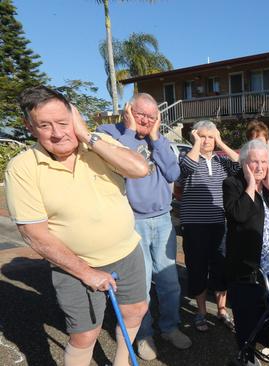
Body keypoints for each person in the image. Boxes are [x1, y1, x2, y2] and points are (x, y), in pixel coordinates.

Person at [5, 86, 150, 366]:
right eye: (45, 125)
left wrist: (86, 135)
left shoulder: (100, 145)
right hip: (74, 264)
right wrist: (86, 272)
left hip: (127, 251)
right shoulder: (23, 168)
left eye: (63, 122)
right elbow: (34, 234)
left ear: (75, 117)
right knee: (85, 334)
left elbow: (139, 169)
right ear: (29, 126)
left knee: (135, 310)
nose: (58, 133)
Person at [96, 93, 190, 360]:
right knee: (140, 286)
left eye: (151, 116)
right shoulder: (110, 134)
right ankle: (144, 335)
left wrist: (157, 137)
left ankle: (170, 327)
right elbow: (116, 165)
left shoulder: (158, 139)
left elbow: (173, 174)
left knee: (169, 280)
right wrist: (129, 131)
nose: (146, 121)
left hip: (162, 219)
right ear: (128, 111)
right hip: (132, 221)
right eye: (141, 115)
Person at [223, 139, 269, 366]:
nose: (260, 166)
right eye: (254, 161)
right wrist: (250, 185)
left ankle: (264, 346)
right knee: (246, 318)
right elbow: (239, 214)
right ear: (244, 163)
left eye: (264, 161)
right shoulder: (232, 184)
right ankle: (246, 356)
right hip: (248, 269)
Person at [178, 120, 239, 332]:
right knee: (197, 269)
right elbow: (188, 168)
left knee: (221, 267)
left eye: (210, 137)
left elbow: (241, 164)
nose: (207, 141)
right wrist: (196, 143)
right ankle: (201, 311)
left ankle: (222, 310)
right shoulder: (186, 157)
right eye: (202, 136)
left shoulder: (222, 162)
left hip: (219, 224)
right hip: (194, 225)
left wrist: (220, 142)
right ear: (195, 136)